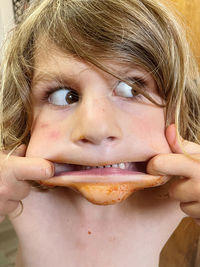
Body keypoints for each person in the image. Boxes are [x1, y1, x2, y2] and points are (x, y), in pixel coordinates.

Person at [1, 0, 200, 266]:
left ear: (176, 108)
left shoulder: (178, 188)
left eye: (132, 90)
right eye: (64, 96)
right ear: (22, 116)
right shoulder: (18, 190)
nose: (97, 129)